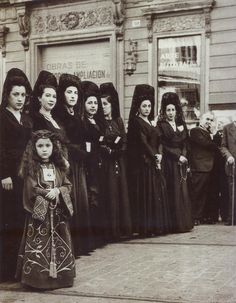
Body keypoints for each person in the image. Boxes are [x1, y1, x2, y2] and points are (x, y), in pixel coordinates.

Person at [16, 130, 75, 289]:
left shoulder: (59, 167)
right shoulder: (32, 169)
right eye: (40, 146)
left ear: (53, 147)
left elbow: (67, 185)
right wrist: (45, 193)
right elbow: (31, 189)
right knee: (40, 244)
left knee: (60, 243)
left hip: (57, 215)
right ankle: (38, 280)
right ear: (34, 148)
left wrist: (58, 191)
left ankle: (62, 277)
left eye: (47, 145)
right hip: (40, 216)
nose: (44, 149)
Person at [0, 68, 32, 281]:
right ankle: (5, 270)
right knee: (7, 221)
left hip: (24, 176)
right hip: (8, 178)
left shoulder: (27, 118)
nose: (20, 99)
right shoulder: (2, 116)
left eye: (23, 95)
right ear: (7, 95)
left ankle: (19, 268)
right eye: (15, 95)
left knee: (22, 220)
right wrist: (4, 174)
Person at [127, 84, 171, 237]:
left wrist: (159, 154)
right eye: (144, 106)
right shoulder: (136, 122)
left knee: (156, 192)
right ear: (138, 108)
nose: (147, 108)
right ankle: (147, 227)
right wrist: (154, 156)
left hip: (154, 160)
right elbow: (142, 142)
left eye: (149, 106)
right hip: (144, 162)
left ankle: (157, 226)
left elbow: (159, 140)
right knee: (148, 193)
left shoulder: (152, 122)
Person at [55, 73, 92, 256]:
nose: (72, 96)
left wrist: (86, 151)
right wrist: (80, 152)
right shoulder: (60, 113)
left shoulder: (76, 113)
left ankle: (82, 244)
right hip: (69, 161)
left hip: (79, 163)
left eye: (75, 93)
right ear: (63, 94)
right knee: (71, 200)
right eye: (69, 92)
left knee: (81, 200)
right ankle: (72, 246)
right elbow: (64, 140)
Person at [100, 82, 132, 242]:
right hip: (108, 164)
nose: (103, 107)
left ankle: (122, 229)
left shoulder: (118, 120)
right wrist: (111, 151)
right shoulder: (101, 122)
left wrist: (119, 150)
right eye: (101, 105)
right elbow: (101, 143)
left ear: (111, 105)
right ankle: (111, 230)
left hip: (120, 162)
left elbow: (124, 140)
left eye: (105, 104)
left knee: (121, 192)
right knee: (110, 193)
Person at [157, 92, 193, 233]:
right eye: (168, 110)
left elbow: (185, 142)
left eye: (173, 110)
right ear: (164, 111)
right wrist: (177, 157)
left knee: (182, 191)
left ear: (176, 111)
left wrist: (183, 156)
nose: (171, 113)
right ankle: (174, 224)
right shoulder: (161, 125)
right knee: (173, 190)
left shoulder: (180, 124)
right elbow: (163, 145)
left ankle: (184, 223)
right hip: (170, 162)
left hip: (181, 162)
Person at [80, 81, 107, 248]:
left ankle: (99, 236)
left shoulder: (97, 122)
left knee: (98, 196)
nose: (93, 106)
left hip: (98, 162)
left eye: (95, 103)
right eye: (89, 102)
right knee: (92, 196)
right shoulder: (83, 122)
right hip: (88, 163)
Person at [189, 112, 218, 225]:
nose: (209, 122)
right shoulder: (195, 131)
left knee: (206, 194)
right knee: (197, 193)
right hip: (200, 166)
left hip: (209, 167)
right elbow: (206, 144)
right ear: (201, 120)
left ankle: (203, 216)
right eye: (207, 119)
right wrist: (213, 135)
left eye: (211, 120)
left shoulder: (209, 133)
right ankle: (194, 217)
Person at [221, 111, 236, 225]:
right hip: (232, 165)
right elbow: (223, 146)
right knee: (232, 192)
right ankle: (232, 218)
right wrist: (229, 156)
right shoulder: (227, 128)